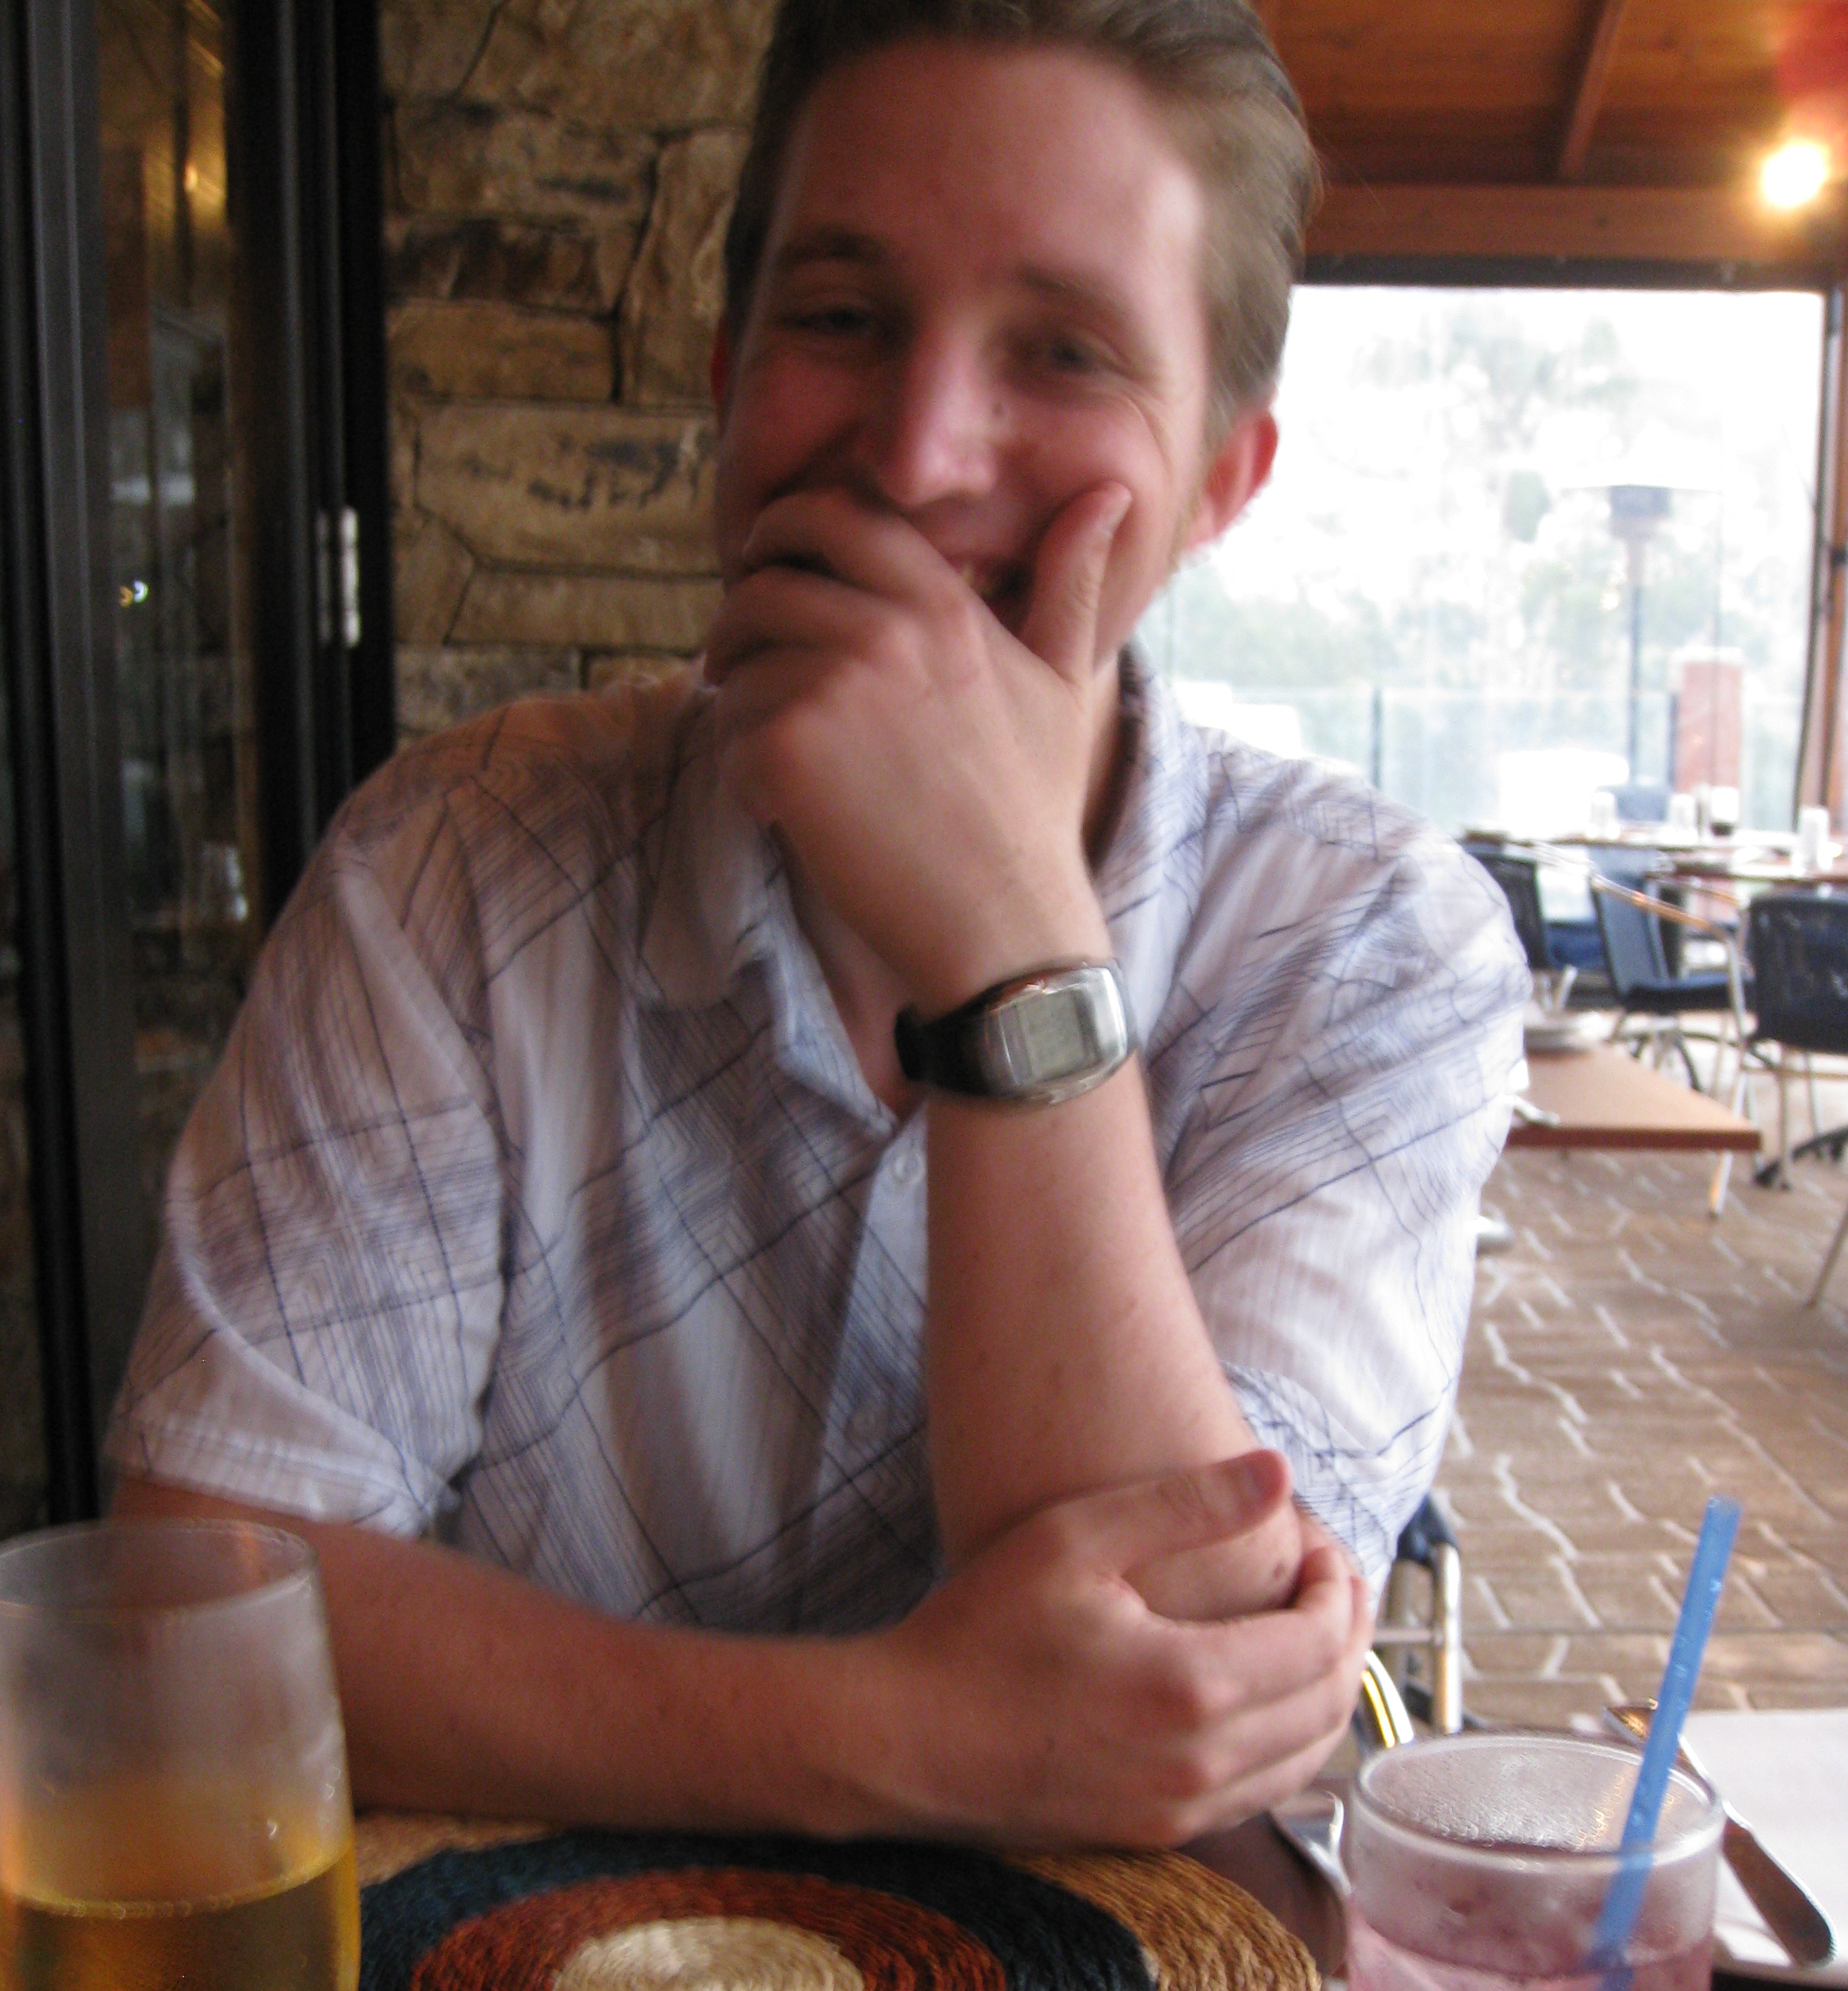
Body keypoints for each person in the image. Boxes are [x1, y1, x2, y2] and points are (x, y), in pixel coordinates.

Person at [111, 0, 1525, 1846]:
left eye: (1065, 351)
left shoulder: (1371, 943)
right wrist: (888, 1738)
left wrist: (1008, 949)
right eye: (843, 318)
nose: (919, 454)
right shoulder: (451, 867)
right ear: (728, 371)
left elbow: (1181, 1698)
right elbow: (199, 1603)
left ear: (1220, 482)